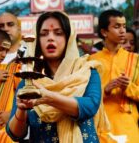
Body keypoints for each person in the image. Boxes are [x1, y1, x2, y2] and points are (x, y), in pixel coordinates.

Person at [6, 11, 101, 143]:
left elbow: (89, 107)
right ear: (37, 40)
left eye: (58, 33)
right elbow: (15, 134)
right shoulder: (29, 81)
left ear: (69, 38)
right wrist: (21, 111)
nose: (50, 38)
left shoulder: (86, 72)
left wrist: (48, 97)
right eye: (44, 34)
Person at [89, 9, 139, 143]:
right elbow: (84, 96)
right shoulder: (90, 61)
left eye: (123, 26)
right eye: (117, 26)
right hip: (100, 126)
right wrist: (105, 90)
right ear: (104, 32)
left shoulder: (135, 59)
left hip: (127, 126)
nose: (123, 30)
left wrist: (128, 87)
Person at [0, 27, 21, 142]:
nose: (3, 55)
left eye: (6, 51)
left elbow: (28, 97)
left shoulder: (10, 70)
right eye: (0, 49)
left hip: (5, 136)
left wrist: (12, 114)